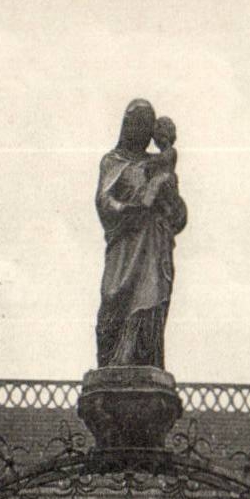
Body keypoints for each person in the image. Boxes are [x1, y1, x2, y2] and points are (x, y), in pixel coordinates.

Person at [94, 99, 187, 370]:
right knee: (114, 300)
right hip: (124, 247)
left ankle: (143, 363)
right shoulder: (112, 161)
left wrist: (168, 197)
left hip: (153, 247)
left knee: (150, 300)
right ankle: (112, 363)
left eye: (147, 125)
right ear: (126, 125)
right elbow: (104, 202)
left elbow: (178, 216)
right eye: (136, 123)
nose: (141, 130)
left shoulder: (158, 166)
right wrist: (130, 209)